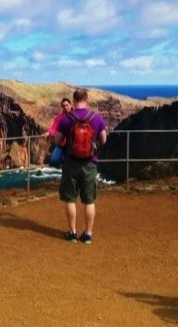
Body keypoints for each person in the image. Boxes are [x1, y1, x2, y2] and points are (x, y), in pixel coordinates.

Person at [53, 88, 107, 244]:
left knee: (70, 199)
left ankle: (72, 233)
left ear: (74, 101)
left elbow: (57, 141)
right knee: (89, 201)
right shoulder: (96, 118)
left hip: (70, 163)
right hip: (90, 163)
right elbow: (103, 139)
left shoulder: (66, 119)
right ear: (87, 99)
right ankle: (88, 234)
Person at [46, 98, 74, 166]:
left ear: (70, 105)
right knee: (54, 159)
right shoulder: (60, 117)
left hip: (74, 142)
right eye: (63, 106)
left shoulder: (76, 114)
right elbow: (54, 126)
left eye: (67, 105)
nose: (65, 107)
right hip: (62, 142)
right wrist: (49, 132)